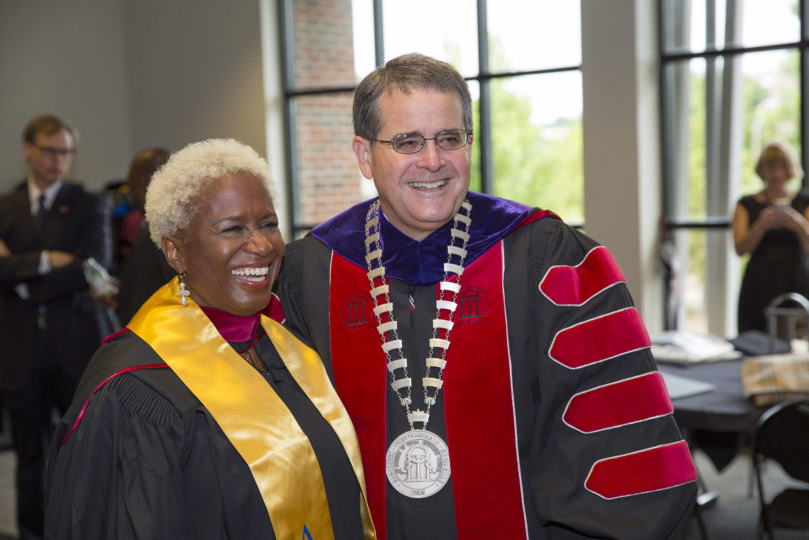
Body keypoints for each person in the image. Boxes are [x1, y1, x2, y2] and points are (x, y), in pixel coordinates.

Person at [277, 53, 698, 539]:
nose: (432, 160)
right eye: (407, 141)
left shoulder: (546, 259)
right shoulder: (308, 273)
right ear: (364, 155)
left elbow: (620, 444)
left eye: (449, 138)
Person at [44, 138, 375, 539]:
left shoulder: (289, 347)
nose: (261, 245)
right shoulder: (137, 390)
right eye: (232, 229)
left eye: (268, 224)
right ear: (175, 252)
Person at [0, 114, 115, 540]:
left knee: (85, 453)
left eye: (66, 152)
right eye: (50, 150)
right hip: (20, 350)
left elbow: (93, 268)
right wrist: (51, 260)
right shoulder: (4, 207)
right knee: (30, 459)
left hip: (76, 347)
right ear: (28, 149)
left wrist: (20, 274)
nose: (59, 160)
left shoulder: (90, 205)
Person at [734, 140, 809, 334]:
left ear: (789, 168)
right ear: (762, 169)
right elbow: (740, 248)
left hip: (795, 279)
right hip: (759, 283)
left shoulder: (803, 202)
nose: (776, 173)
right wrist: (761, 225)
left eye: (781, 166)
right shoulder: (746, 204)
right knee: (754, 338)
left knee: (796, 338)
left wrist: (799, 225)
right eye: (770, 167)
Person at [115, 146, 176, 325]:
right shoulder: (163, 227)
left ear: (143, 182)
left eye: (130, 184)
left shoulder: (161, 235)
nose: (129, 191)